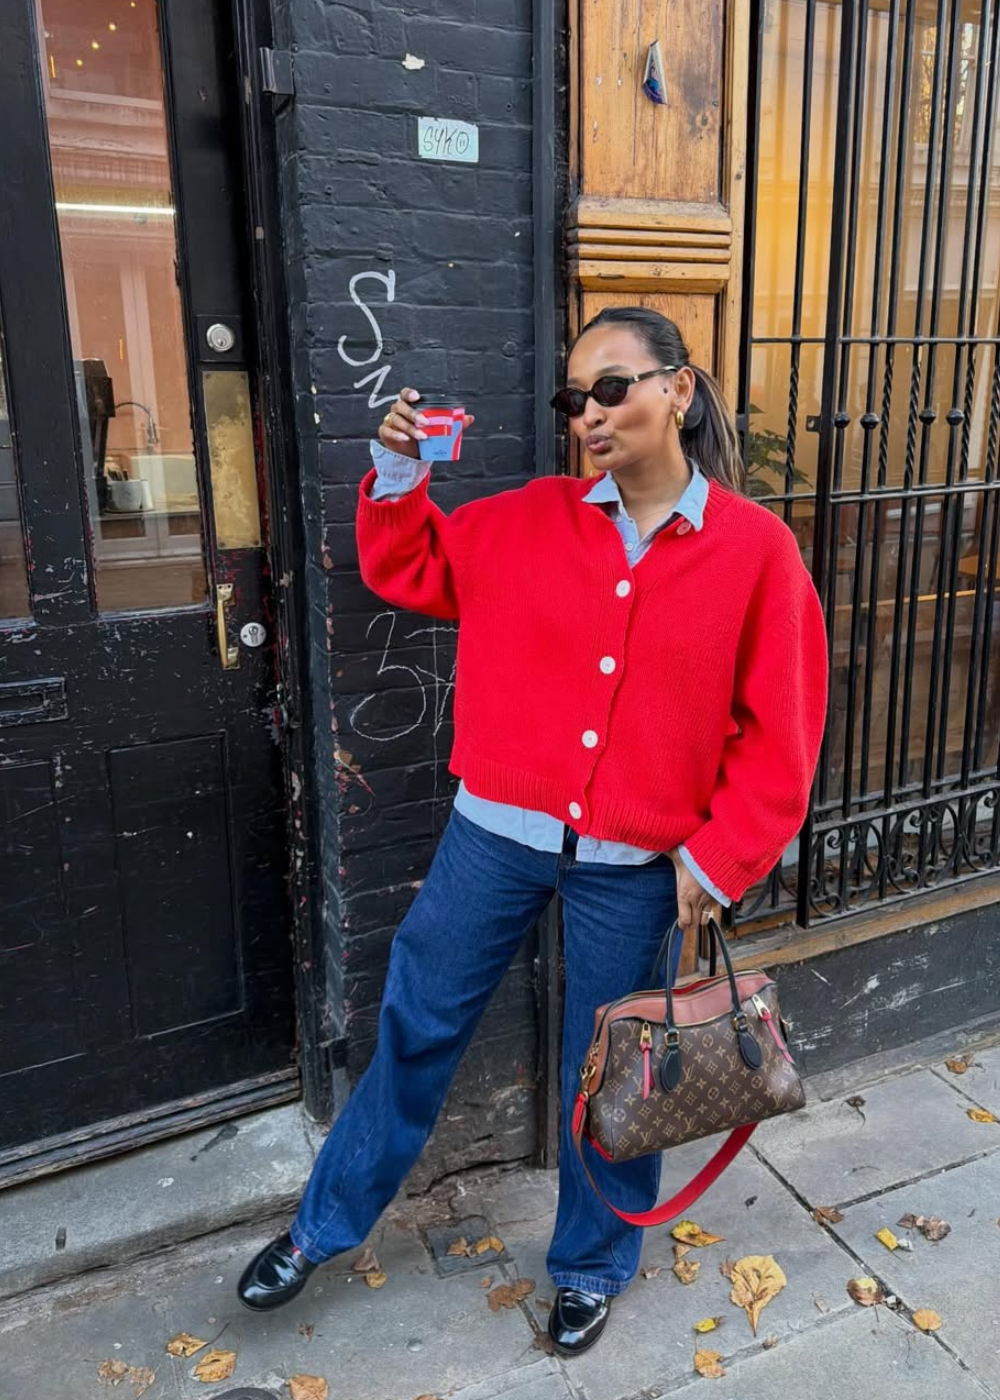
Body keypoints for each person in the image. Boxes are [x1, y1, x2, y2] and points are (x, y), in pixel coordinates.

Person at [238, 307, 828, 1355]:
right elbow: (409, 565)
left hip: (637, 868)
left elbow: (780, 728)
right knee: (417, 1027)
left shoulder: (755, 551)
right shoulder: (528, 518)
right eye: (574, 399)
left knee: (611, 1074)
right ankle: (320, 1226)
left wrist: (715, 854)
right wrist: (396, 471)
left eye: (611, 388)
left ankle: (592, 1263)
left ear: (677, 392)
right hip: (491, 838)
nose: (588, 414)